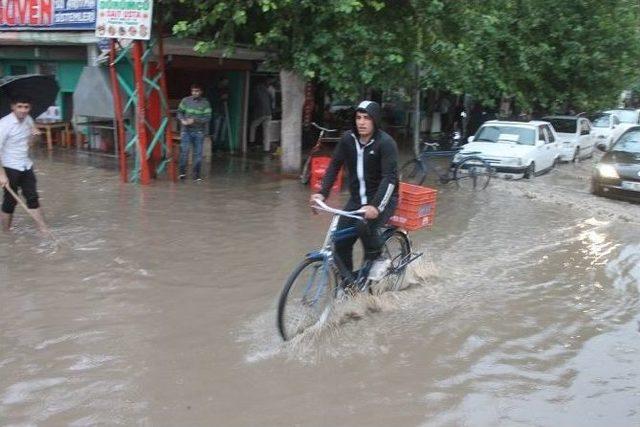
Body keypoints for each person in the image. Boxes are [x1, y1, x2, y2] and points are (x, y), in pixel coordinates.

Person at [310, 100, 399, 282]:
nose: (361, 122)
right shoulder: (347, 140)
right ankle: (349, 285)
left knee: (363, 225)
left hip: (383, 199)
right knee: (340, 241)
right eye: (358, 118)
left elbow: (389, 179)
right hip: (357, 200)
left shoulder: (386, 143)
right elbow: (334, 166)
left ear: (375, 120)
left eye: (366, 118)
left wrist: (376, 207)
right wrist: (322, 193)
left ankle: (377, 257)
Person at [0, 96, 48, 233]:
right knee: (10, 201)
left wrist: (35, 135)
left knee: (32, 197)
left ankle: (43, 230)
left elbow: (32, 145)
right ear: (13, 107)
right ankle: (6, 232)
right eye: (20, 106)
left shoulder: (28, 119)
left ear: (30, 108)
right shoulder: (4, 124)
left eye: (26, 107)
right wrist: (2, 175)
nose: (23, 110)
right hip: (9, 166)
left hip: (26, 165)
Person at [177, 83, 211, 181]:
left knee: (198, 155)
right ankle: (182, 173)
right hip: (186, 131)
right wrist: (182, 120)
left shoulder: (205, 103)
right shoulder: (185, 100)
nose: (194, 93)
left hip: (199, 132)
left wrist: (195, 120)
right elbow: (179, 112)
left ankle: (196, 175)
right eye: (193, 91)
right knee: (184, 152)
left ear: (201, 92)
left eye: (197, 91)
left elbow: (207, 118)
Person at [249, 79, 274, 152]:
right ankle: (266, 148)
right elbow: (271, 100)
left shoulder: (256, 90)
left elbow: (252, 102)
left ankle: (251, 143)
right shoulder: (267, 91)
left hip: (260, 113)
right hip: (268, 113)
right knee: (266, 131)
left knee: (253, 126)